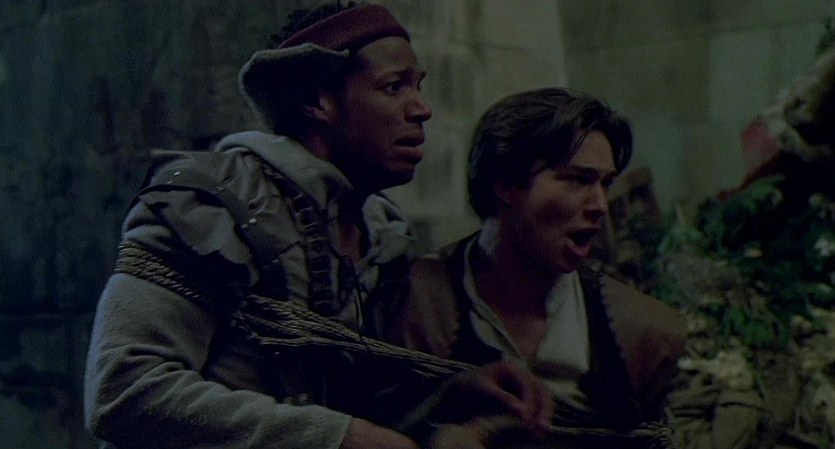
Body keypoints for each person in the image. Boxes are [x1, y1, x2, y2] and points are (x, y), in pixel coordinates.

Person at [84, 3, 551, 449]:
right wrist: (333, 438)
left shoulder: (380, 236)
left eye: (418, 86)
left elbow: (352, 404)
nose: (421, 109)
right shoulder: (209, 204)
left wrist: (453, 392)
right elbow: (122, 389)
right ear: (318, 102)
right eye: (394, 87)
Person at [388, 87, 688, 448]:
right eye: (578, 180)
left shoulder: (641, 332)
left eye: (605, 184)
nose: (600, 205)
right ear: (505, 182)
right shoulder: (414, 302)